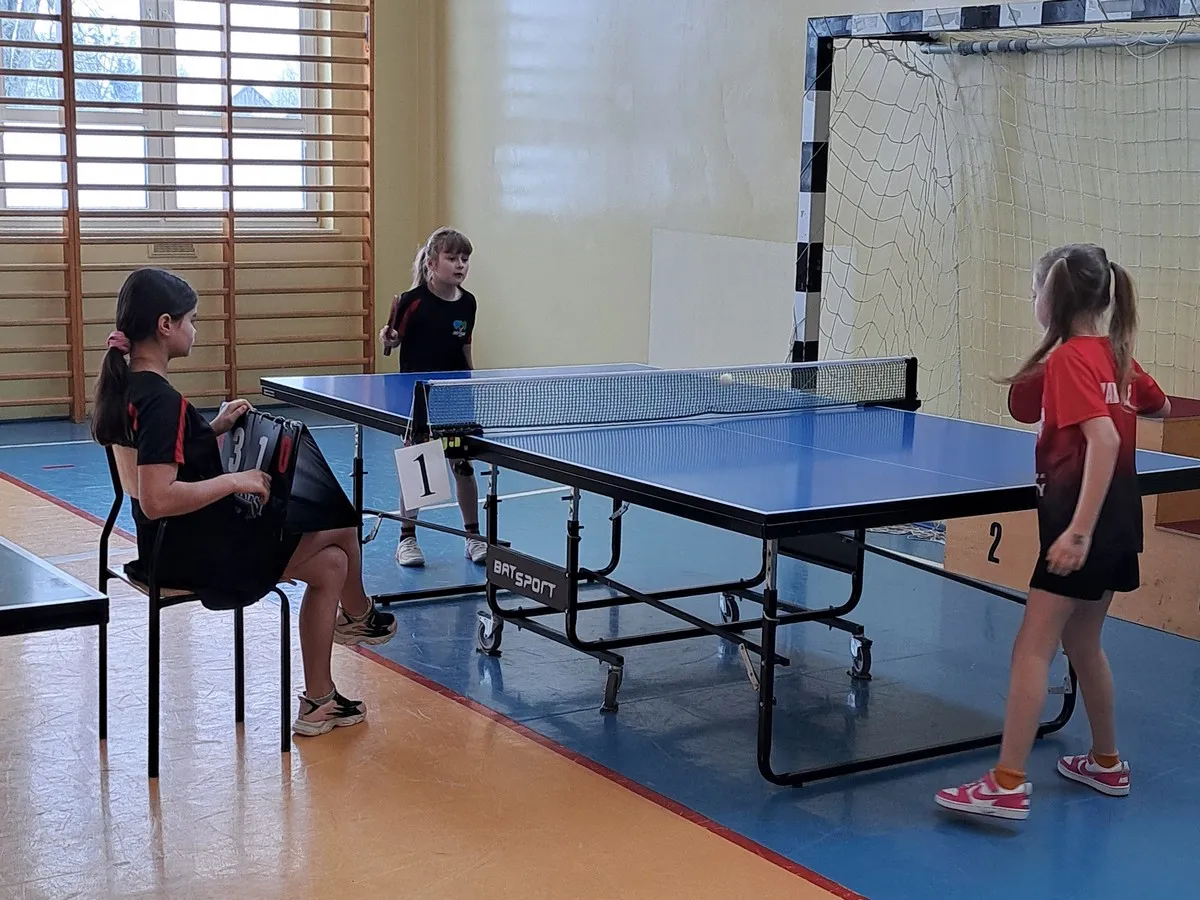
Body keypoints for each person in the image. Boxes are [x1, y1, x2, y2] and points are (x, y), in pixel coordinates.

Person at [91, 267, 397, 738]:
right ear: (166, 325)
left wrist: (212, 428)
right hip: (201, 559)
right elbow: (158, 499)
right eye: (192, 320)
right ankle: (359, 616)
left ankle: (320, 703)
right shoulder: (163, 402)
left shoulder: (127, 387)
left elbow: (163, 459)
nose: (196, 330)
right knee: (342, 523)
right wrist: (236, 480)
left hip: (168, 548)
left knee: (332, 564)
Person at [934, 244, 1171, 821]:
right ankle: (1106, 762)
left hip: (1080, 526)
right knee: (1084, 643)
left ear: (1053, 297)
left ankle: (1007, 783)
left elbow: (1104, 440)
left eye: (1035, 289)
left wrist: (1078, 532)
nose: (1031, 298)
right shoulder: (1116, 356)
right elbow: (1160, 407)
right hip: (1123, 521)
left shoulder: (1068, 362)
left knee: (1031, 648)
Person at [378, 226, 486, 568]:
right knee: (419, 467)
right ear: (431, 263)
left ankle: (473, 538)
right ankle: (406, 540)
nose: (460, 264)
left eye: (464, 259)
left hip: (455, 399)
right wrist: (388, 338)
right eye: (452, 258)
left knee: (462, 466)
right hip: (419, 399)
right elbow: (392, 342)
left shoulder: (468, 302)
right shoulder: (411, 301)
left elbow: (465, 347)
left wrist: (472, 385)